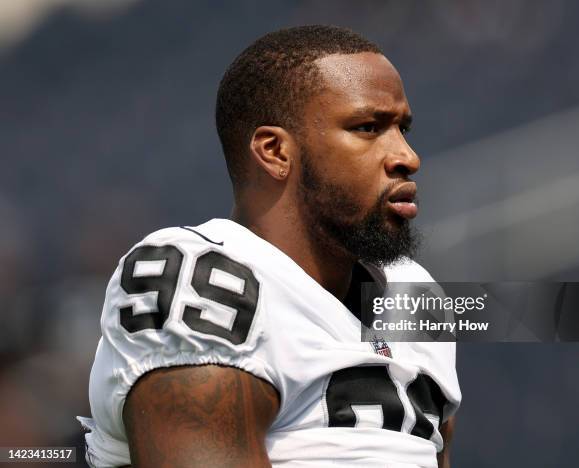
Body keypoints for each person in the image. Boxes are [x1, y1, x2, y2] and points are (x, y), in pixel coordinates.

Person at [79, 25, 461, 468]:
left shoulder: (415, 293)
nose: (406, 156)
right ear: (276, 151)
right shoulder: (199, 275)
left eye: (402, 129)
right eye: (368, 127)